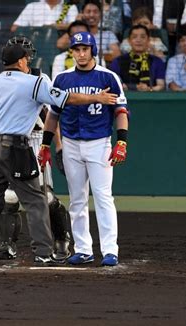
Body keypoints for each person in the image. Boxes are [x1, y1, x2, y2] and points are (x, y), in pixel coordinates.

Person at [0, 42, 118, 266]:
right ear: (21, 61)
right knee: (36, 201)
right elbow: (66, 99)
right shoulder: (34, 82)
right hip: (17, 148)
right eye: (26, 58)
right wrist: (96, 98)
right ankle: (43, 252)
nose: (28, 62)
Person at [39, 31, 129, 267]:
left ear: (93, 51)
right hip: (70, 143)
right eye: (76, 49)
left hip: (99, 143)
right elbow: (53, 116)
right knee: (77, 199)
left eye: (84, 49)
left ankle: (110, 250)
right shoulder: (62, 79)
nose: (80, 53)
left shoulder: (108, 77)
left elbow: (120, 112)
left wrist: (122, 141)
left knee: (103, 197)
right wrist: (46, 144)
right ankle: (83, 249)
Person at [0, 35, 71, 263]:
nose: (27, 58)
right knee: (9, 196)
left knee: (45, 197)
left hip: (36, 140)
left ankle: (61, 241)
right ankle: (8, 245)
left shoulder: (39, 78)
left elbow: (51, 114)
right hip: (10, 141)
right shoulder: (0, 80)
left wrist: (57, 145)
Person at [56, 0, 121, 63]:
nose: (91, 15)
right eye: (88, 12)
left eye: (95, 12)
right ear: (82, 13)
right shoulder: (77, 34)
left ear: (100, 15)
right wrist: (77, 23)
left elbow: (117, 54)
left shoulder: (108, 34)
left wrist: (95, 56)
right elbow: (60, 44)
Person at [110, 24, 166, 91]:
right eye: (134, 37)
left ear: (148, 40)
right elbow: (114, 84)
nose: (138, 40)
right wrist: (130, 87)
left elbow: (161, 85)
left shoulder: (157, 61)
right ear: (129, 41)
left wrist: (149, 89)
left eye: (142, 37)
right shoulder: (118, 61)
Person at [11, 0, 79, 32]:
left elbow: (76, 27)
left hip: (58, 48)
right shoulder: (32, 6)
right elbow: (14, 28)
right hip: (34, 44)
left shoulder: (70, 7)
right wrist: (37, 29)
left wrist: (54, 26)